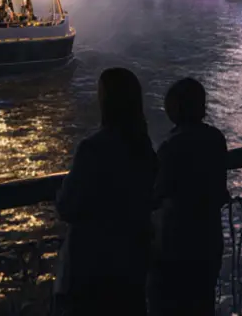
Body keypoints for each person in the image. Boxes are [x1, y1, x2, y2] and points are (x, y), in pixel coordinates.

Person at [55, 68, 156, 315]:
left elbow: (67, 207)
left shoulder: (93, 149)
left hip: (91, 270)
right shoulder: (145, 149)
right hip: (130, 267)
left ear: (106, 101)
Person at [150, 78, 229, 316]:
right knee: (202, 301)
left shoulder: (171, 147)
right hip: (209, 236)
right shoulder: (215, 138)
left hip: (177, 240)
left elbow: (157, 192)